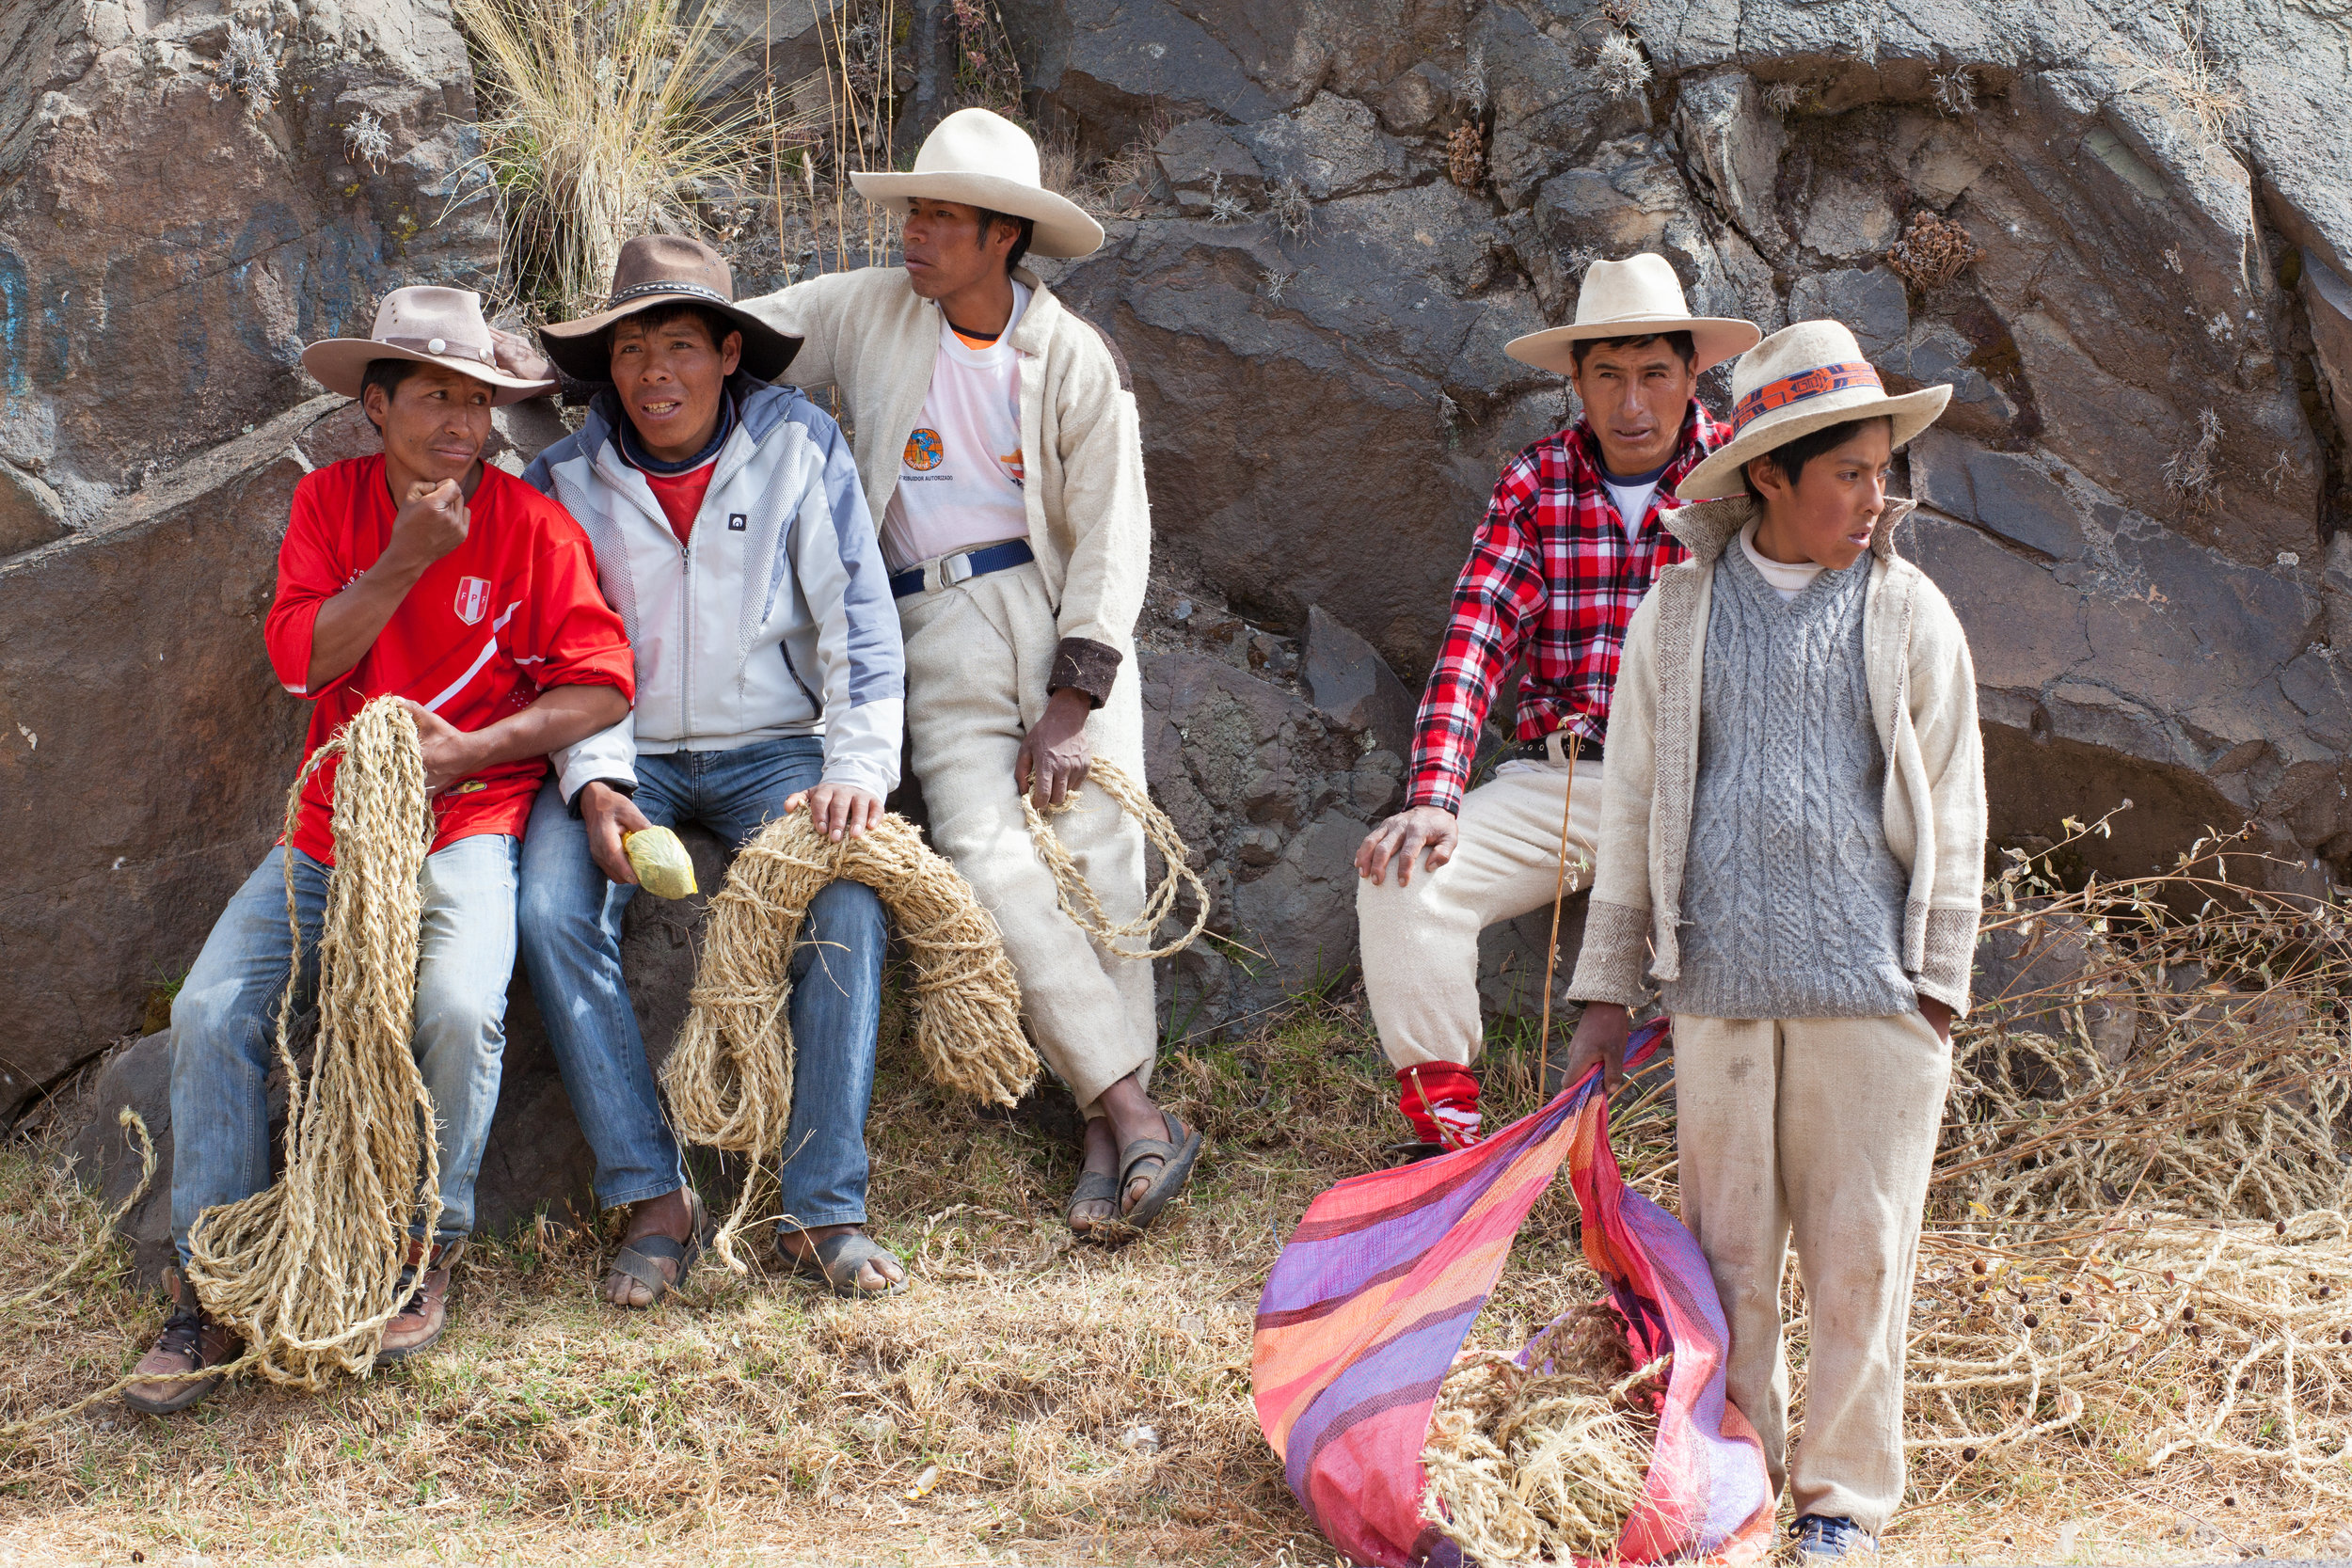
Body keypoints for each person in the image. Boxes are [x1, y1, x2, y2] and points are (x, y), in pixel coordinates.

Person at [124, 288, 635, 1415]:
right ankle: (205, 1286)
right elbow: (303, 666)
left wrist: (474, 751)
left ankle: (424, 1244)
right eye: (436, 395)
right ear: (376, 402)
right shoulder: (329, 502)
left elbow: (601, 681)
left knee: (457, 1006)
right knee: (211, 1011)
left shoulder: (534, 526)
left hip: (466, 818)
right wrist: (404, 560)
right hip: (330, 827)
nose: (462, 421)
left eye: (479, 400)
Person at [1559, 321, 1986, 1559]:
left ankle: (1839, 1502)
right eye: (1848, 470)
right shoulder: (1682, 615)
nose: (1875, 496)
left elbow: (1954, 803)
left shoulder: (1909, 612)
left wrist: (1938, 988)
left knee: (1863, 1261)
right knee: (1728, 1258)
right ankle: (1737, 1483)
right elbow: (1638, 800)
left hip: (1873, 1000)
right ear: (1771, 476)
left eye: (1881, 470)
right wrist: (1610, 991)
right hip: (1723, 994)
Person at [739, 107, 1200, 1240]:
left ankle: (1108, 1137)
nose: (915, 233)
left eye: (942, 217)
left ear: (1002, 235)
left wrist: (1071, 699)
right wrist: (594, 353)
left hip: (1056, 623)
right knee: (989, 862)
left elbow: (1110, 533)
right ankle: (1132, 1106)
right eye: (913, 211)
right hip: (924, 624)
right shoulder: (866, 308)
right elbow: (735, 333)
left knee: (1100, 859)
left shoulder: (1072, 356)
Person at [515, 235, 908, 1302]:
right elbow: (555, 646)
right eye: (633, 349)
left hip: (772, 745)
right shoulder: (561, 476)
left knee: (847, 901)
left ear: (730, 352)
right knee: (551, 906)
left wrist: (858, 765)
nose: (655, 374)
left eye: (680, 346)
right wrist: (595, 779)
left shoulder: (800, 446)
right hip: (619, 744)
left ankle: (823, 1208)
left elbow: (859, 628)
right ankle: (653, 1194)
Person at [1351, 255, 1759, 1158]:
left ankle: (1718, 1150)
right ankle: (1447, 1146)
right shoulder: (1535, 482)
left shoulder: (1739, 480)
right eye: (1607, 376)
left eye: (1655, 373)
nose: (1632, 405)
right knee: (1405, 879)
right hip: (1566, 778)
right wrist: (1433, 793)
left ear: (1695, 372)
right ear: (1574, 381)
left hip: (1707, 780)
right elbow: (1477, 636)